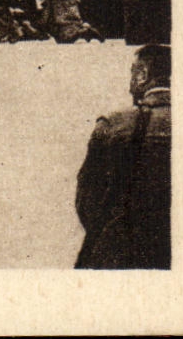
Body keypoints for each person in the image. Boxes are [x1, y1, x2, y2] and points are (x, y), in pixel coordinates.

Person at [76, 44, 170, 269]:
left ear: (142, 75)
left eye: (132, 73)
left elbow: (87, 201)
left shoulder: (114, 124)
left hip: (122, 254)